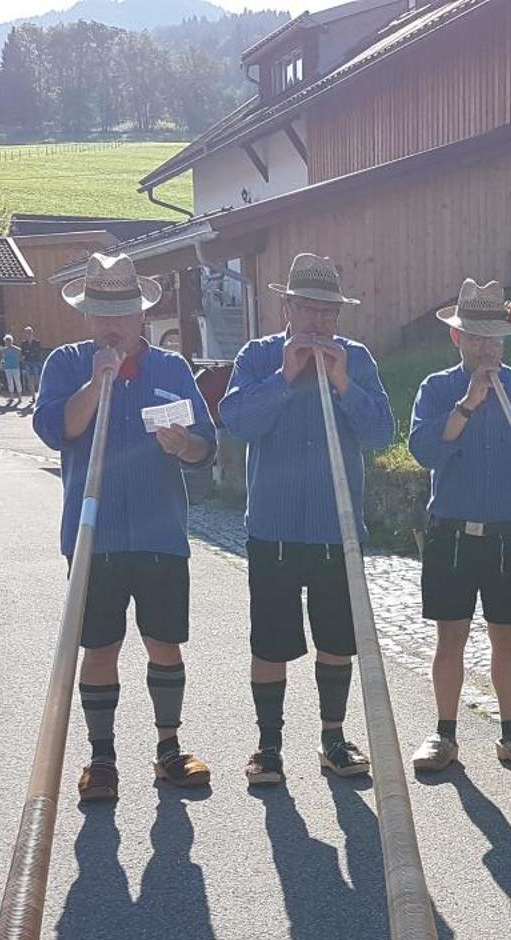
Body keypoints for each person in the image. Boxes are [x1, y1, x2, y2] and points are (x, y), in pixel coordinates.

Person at [32, 252, 218, 802]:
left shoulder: (172, 369)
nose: (113, 324)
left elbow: (206, 448)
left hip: (161, 533)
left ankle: (168, 749)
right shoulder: (65, 365)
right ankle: (102, 758)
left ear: (141, 316)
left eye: (124, 312)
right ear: (86, 318)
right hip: (95, 537)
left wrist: (184, 445)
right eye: (101, 313)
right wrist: (96, 383)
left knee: (164, 643)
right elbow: (57, 430)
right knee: (99, 646)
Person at [219, 251, 393, 787]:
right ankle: (268, 746)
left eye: (329, 311)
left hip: (336, 531)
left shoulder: (357, 358)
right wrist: (283, 377)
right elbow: (236, 422)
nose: (319, 321)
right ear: (287, 308)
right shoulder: (257, 355)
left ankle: (333, 737)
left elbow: (381, 435)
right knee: (270, 643)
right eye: (309, 308)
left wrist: (344, 385)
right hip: (273, 527)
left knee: (337, 640)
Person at [406, 279, 511, 775]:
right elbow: (425, 451)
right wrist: (467, 405)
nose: (487, 347)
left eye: (495, 338)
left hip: (510, 530)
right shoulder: (437, 388)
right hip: (452, 529)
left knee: (507, 637)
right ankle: (444, 733)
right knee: (450, 635)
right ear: (457, 338)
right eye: (476, 337)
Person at [20, 326, 45, 395]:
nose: (28, 334)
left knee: (37, 379)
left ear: (32, 333)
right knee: (30, 379)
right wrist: (29, 353)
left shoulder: (37, 342)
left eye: (29, 333)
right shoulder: (24, 343)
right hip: (27, 362)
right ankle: (33, 395)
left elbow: (37, 352)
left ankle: (40, 393)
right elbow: (23, 353)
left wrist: (29, 352)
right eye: (26, 333)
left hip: (36, 362)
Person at [0, 333, 24, 399]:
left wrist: (18, 360)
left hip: (15, 367)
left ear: (11, 341)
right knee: (10, 382)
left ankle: (20, 396)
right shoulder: (3, 350)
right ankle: (11, 396)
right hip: (8, 367)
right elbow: (1, 358)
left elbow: (21, 357)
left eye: (9, 341)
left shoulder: (17, 349)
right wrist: (2, 363)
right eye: (6, 341)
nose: (7, 342)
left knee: (17, 381)